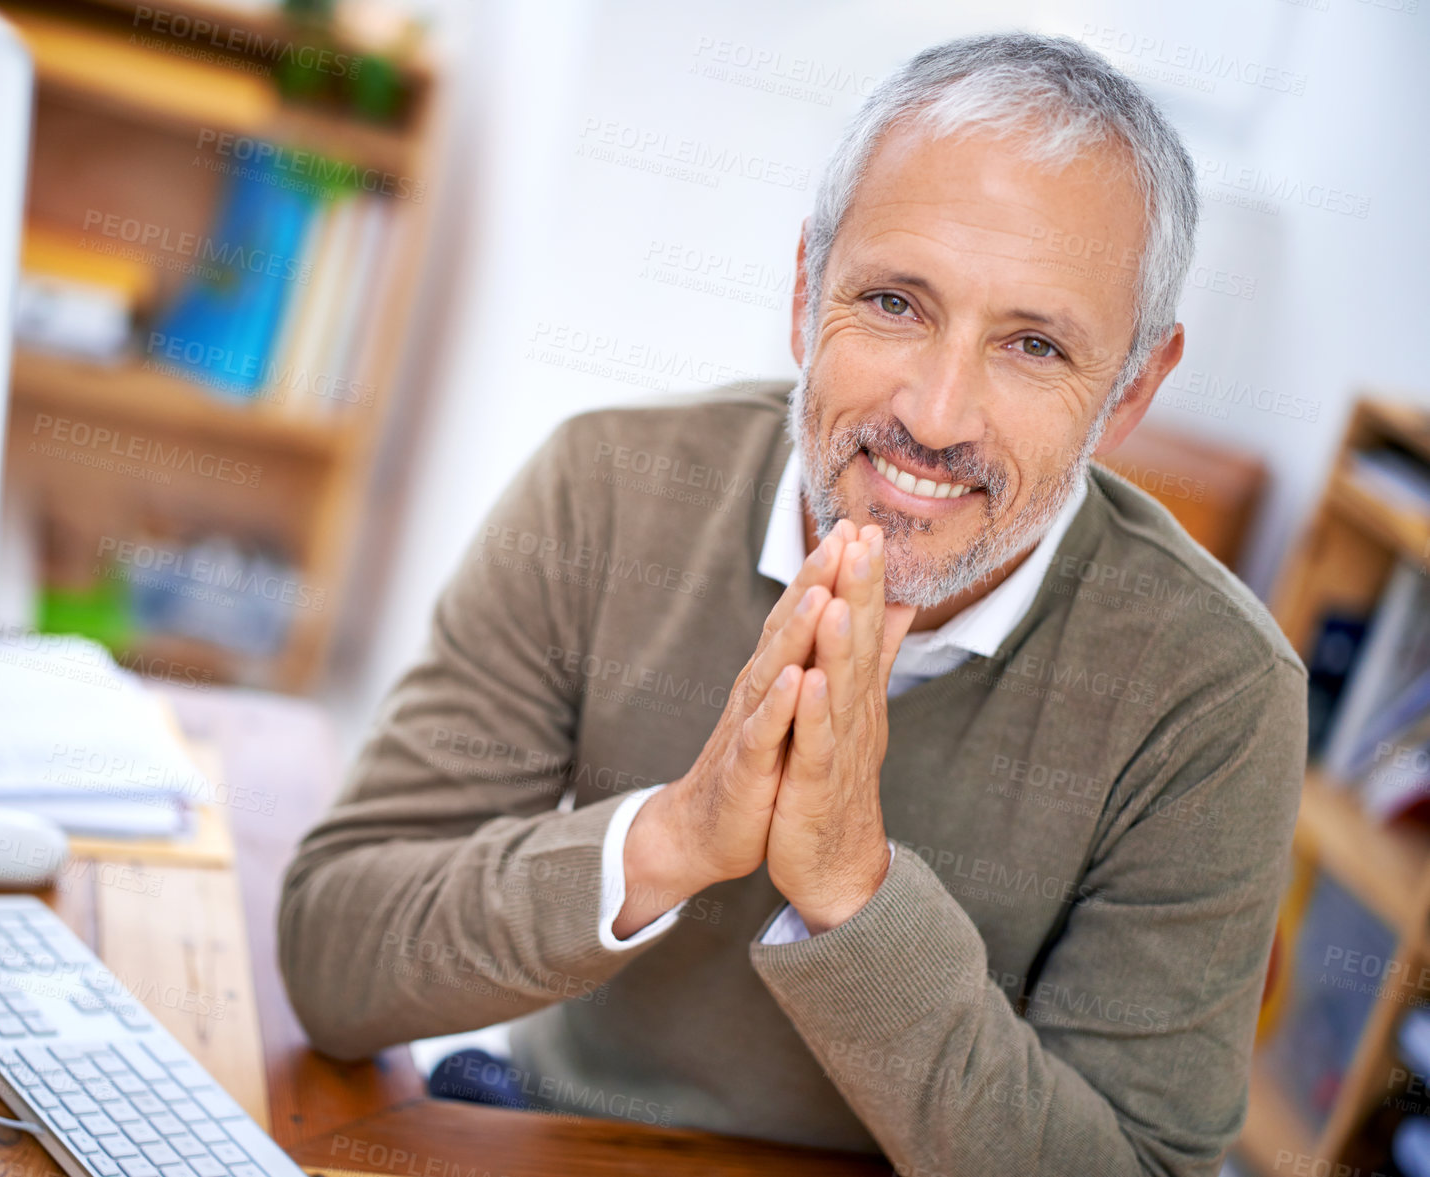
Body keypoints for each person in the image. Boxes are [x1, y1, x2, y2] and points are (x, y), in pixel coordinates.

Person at [279, 32, 1305, 1175]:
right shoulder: (604, 489)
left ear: (1128, 394)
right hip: (561, 1136)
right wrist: (669, 836)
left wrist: (854, 899)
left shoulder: (1219, 694)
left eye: (1031, 344)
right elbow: (333, 958)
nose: (937, 410)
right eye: (894, 302)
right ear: (806, 290)